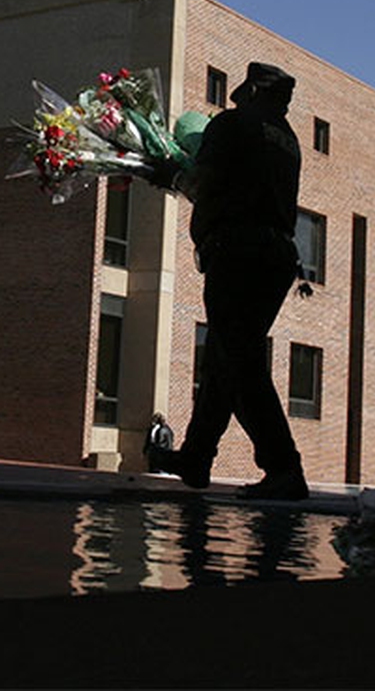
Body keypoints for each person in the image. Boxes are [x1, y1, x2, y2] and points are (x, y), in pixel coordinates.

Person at [146, 61, 310, 501]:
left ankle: (283, 468)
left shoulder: (233, 125)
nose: (236, 100)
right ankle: (196, 459)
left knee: (242, 362)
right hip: (277, 257)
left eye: (242, 94)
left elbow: (205, 184)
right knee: (225, 359)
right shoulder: (289, 140)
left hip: (238, 251)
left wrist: (168, 176)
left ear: (253, 91)